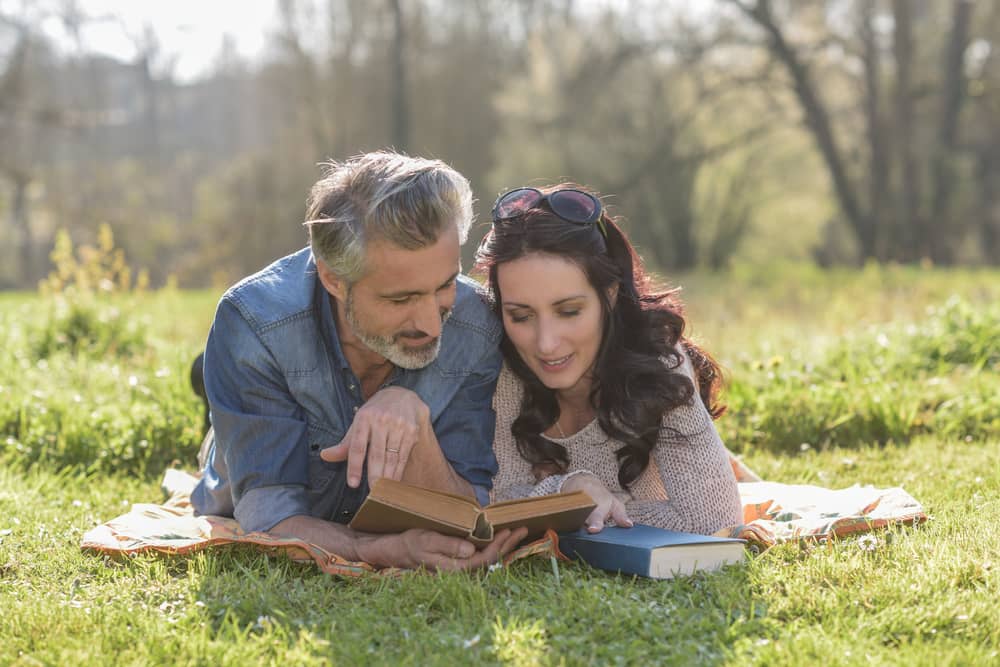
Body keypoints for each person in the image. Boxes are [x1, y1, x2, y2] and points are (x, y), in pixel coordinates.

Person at [192, 151, 526, 570]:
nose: (431, 324)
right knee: (225, 429)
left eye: (443, 286)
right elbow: (269, 516)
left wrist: (414, 418)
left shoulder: (476, 321)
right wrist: (372, 550)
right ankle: (213, 400)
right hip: (244, 433)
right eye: (400, 299)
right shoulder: (254, 323)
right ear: (333, 278)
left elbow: (467, 509)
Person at [474, 184, 743, 536]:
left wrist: (591, 505)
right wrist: (569, 489)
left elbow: (714, 523)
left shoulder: (659, 364)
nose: (546, 343)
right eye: (521, 316)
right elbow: (491, 503)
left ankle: (735, 466)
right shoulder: (501, 366)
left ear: (610, 295)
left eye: (569, 311)